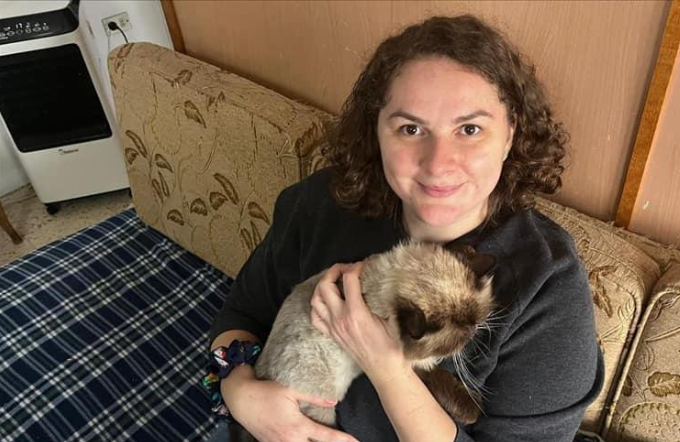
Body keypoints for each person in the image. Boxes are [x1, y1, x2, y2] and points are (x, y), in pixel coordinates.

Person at [205, 14, 604, 442]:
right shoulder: (323, 203)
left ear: (510, 134)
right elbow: (242, 312)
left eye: (469, 129)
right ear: (376, 131)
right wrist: (239, 392)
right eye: (410, 128)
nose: (437, 163)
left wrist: (386, 365)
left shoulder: (549, 286)